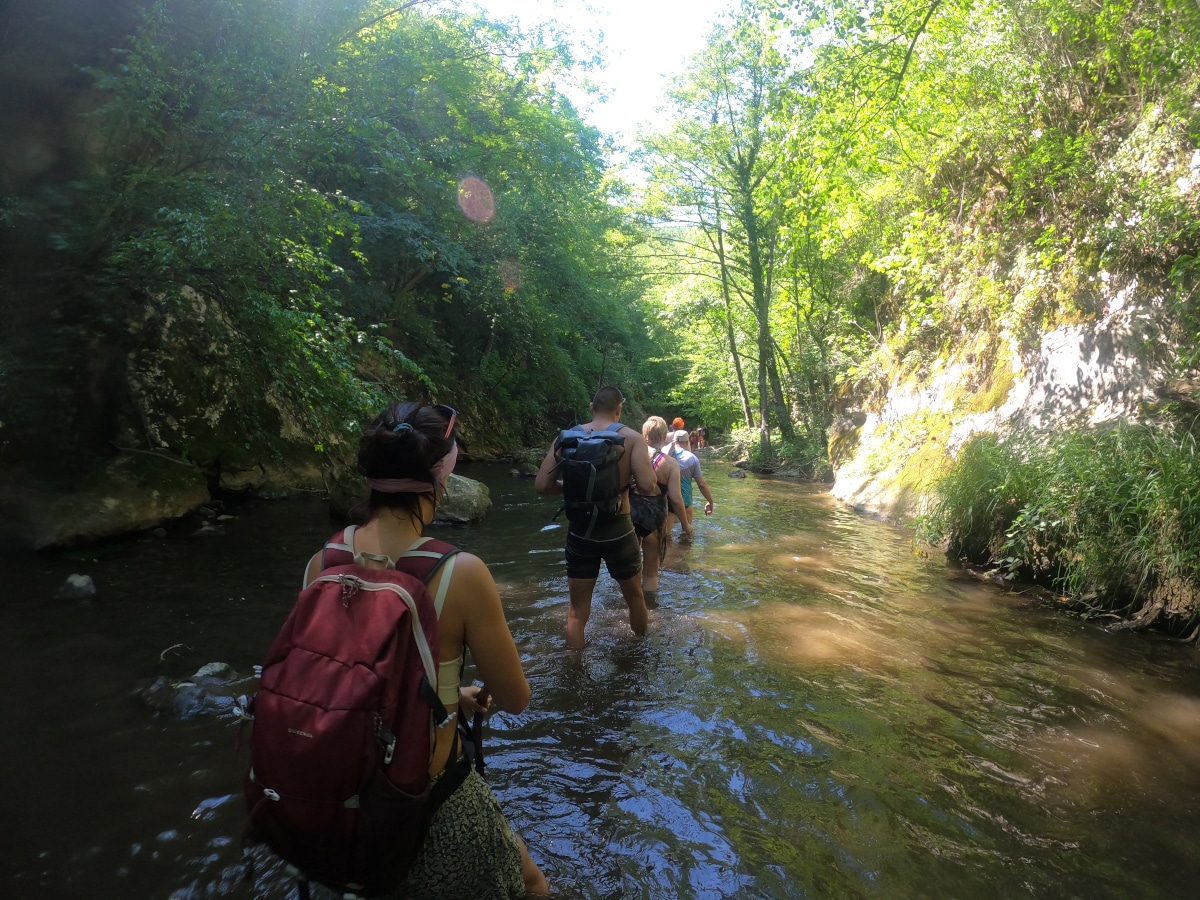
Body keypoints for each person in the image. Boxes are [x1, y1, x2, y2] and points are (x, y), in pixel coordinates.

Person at [303, 401, 548, 898]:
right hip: (428, 805)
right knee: (532, 882)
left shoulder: (321, 563)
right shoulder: (460, 573)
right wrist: (457, 692)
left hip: (336, 803)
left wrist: (451, 693)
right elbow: (517, 698)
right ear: (440, 478)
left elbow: (353, 680)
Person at [534, 387, 658, 649]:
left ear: (591, 407)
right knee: (635, 599)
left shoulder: (566, 437)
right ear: (619, 409)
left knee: (576, 612)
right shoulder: (633, 439)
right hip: (620, 531)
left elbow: (542, 486)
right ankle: (638, 657)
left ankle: (574, 670)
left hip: (580, 531)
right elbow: (648, 486)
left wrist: (575, 488)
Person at [634, 416, 690, 608]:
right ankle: (650, 610)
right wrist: (685, 525)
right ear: (665, 435)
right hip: (654, 519)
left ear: (644, 435)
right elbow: (675, 498)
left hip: (627, 517)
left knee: (628, 570)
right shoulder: (671, 464)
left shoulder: (631, 457)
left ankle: (629, 604)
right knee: (651, 573)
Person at [662, 429, 714, 537]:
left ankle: (668, 553)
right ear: (687, 442)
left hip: (667, 498)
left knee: (666, 536)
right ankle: (685, 552)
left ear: (674, 441)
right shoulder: (691, 458)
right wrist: (710, 501)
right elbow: (701, 484)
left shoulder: (664, 453)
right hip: (684, 500)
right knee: (688, 533)